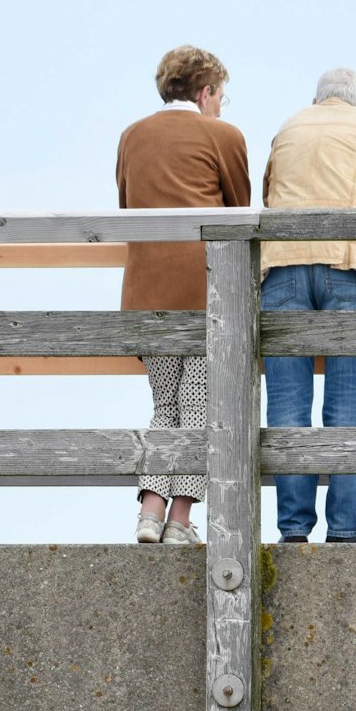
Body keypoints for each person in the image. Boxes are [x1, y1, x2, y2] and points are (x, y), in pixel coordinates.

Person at [258, 66, 356, 544]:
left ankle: (293, 529)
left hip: (281, 269)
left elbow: (267, 196)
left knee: (286, 405)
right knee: (347, 404)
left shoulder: (287, 127)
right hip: (349, 266)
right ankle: (343, 528)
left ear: (316, 100)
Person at [117, 44, 251, 547]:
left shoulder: (132, 137)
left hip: (145, 293)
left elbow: (126, 206)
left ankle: (149, 515)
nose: (221, 104)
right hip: (204, 291)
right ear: (205, 90)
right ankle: (179, 521)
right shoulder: (223, 135)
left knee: (163, 405)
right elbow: (240, 214)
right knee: (198, 408)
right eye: (221, 94)